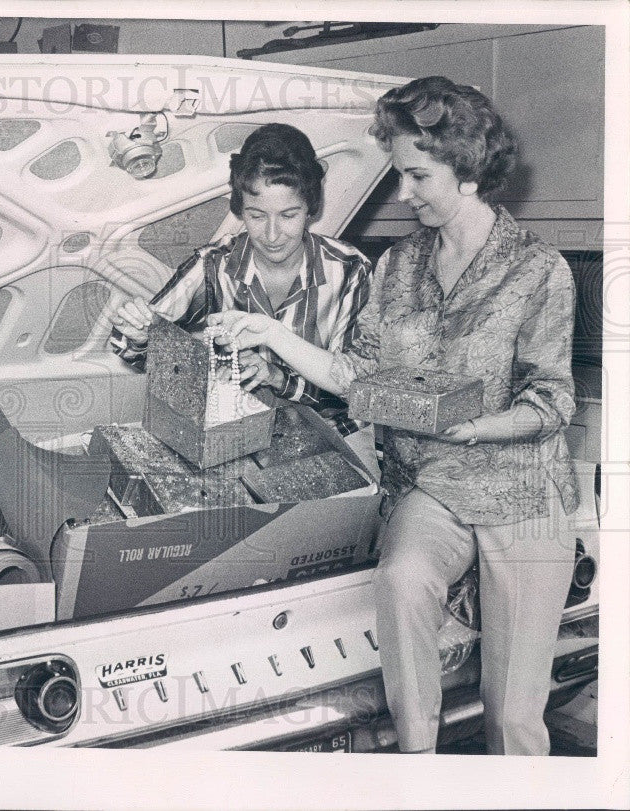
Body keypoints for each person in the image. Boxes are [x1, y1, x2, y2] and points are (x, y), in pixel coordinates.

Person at [210, 76, 578, 755]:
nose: (402, 194)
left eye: (416, 175)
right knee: (402, 577)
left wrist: (476, 426)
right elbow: (358, 375)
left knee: (513, 713)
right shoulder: (398, 266)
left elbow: (552, 399)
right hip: (432, 483)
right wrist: (272, 335)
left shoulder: (538, 269)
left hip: (521, 489)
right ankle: (415, 768)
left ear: (467, 171)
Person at [109, 123, 373, 451]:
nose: (272, 235)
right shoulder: (213, 263)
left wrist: (280, 380)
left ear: (310, 209)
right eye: (257, 216)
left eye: (289, 215)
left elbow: (355, 388)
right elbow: (142, 347)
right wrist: (139, 334)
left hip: (337, 425)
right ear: (240, 210)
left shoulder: (349, 267)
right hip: (244, 425)